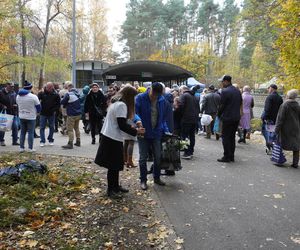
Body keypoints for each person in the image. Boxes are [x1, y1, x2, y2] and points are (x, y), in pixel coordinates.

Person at [95, 85, 145, 198]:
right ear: (130, 96)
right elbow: (122, 124)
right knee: (113, 165)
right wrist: (136, 131)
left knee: (115, 164)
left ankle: (115, 186)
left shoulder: (115, 103)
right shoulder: (122, 105)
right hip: (112, 137)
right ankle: (111, 190)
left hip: (109, 135)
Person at [135, 82, 169, 190]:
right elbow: (134, 113)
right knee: (143, 158)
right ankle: (143, 180)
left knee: (158, 157)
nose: (155, 97)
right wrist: (138, 121)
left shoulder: (162, 100)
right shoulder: (140, 98)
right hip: (143, 132)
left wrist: (166, 130)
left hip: (157, 133)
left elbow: (163, 118)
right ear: (151, 90)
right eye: (154, 95)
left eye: (158, 95)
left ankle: (157, 178)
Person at [217, 75, 242, 163]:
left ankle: (226, 156)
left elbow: (222, 105)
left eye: (222, 82)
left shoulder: (225, 91)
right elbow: (239, 104)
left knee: (226, 137)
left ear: (226, 81)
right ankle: (231, 156)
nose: (222, 83)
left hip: (227, 117)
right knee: (232, 137)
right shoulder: (237, 91)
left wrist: (219, 115)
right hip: (236, 117)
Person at [275, 89, 300, 168]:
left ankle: (279, 161)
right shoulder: (298, 105)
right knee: (296, 146)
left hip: (285, 128)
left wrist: (276, 129)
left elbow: (280, 119)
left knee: (280, 143)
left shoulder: (284, 105)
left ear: (288, 96)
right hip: (296, 128)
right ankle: (295, 163)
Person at [16, 81, 41, 152]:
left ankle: (21, 148)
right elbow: (38, 107)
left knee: (22, 132)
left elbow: (18, 104)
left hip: (21, 116)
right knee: (31, 132)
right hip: (31, 117)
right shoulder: (33, 97)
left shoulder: (18, 96)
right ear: (30, 88)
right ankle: (30, 148)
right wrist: (38, 112)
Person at [261, 84, 283, 152]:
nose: (268, 89)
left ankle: (270, 145)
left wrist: (263, 117)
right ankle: (273, 146)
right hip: (276, 118)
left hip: (269, 119)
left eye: (269, 88)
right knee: (273, 133)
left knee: (265, 132)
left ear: (272, 88)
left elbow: (267, 109)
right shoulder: (280, 98)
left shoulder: (270, 97)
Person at [179, 85, 198, 159]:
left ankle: (187, 152)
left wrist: (181, 114)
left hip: (186, 119)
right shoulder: (194, 96)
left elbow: (181, 106)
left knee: (185, 136)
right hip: (194, 119)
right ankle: (191, 151)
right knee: (192, 136)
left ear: (182, 90)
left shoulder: (184, 96)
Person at [38, 82, 60, 147]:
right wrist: (38, 109)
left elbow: (58, 104)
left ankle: (50, 139)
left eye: (51, 87)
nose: (50, 89)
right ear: (46, 87)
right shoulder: (41, 93)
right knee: (42, 127)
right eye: (48, 87)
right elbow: (36, 101)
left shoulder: (56, 94)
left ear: (53, 87)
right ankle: (42, 141)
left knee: (51, 127)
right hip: (43, 113)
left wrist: (55, 110)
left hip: (51, 113)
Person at [61, 83, 81, 149]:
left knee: (70, 129)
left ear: (69, 88)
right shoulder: (78, 94)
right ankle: (78, 141)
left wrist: (62, 99)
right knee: (77, 128)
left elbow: (63, 102)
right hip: (78, 114)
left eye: (67, 88)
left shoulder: (68, 94)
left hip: (71, 114)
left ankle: (70, 143)